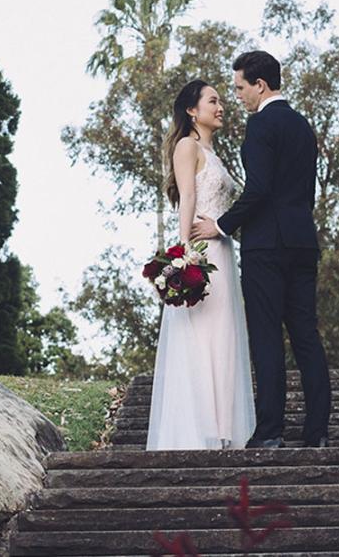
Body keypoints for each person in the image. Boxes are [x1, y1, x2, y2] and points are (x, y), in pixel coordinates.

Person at [192, 51, 332, 448]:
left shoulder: (260, 126)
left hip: (266, 247)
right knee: (306, 335)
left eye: (239, 87)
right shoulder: (303, 127)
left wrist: (220, 226)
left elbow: (259, 190)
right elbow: (307, 192)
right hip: (303, 242)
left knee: (267, 337)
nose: (237, 95)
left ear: (260, 85)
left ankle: (270, 431)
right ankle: (317, 432)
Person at [146, 79, 256, 450]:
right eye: (213, 101)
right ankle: (196, 430)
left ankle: (223, 428)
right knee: (201, 334)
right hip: (202, 252)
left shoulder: (216, 153)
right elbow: (188, 198)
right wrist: (183, 254)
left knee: (223, 336)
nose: (221, 106)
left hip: (223, 250)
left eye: (222, 100)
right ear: (192, 110)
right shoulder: (186, 146)